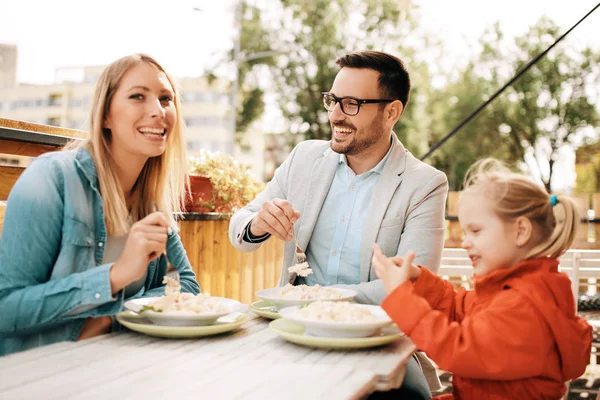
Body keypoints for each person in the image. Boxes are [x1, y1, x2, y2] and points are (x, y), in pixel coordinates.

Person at [229, 50, 449, 399]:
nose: (335, 115)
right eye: (332, 101)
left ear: (391, 111)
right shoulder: (303, 158)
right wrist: (258, 223)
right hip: (290, 335)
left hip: (375, 342)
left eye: (351, 104)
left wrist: (318, 301)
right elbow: (239, 229)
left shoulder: (424, 184)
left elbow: (412, 285)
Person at [0, 54, 200, 356]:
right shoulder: (52, 179)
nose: (158, 111)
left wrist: (111, 318)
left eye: (165, 98)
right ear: (105, 113)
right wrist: (116, 275)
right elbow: (6, 308)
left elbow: (186, 284)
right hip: (35, 373)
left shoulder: (152, 201)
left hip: (111, 362)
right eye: (138, 96)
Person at [372, 158, 593, 400]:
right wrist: (418, 280)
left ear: (521, 231)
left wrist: (401, 297)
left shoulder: (524, 305)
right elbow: (460, 309)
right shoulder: (512, 288)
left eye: (475, 231)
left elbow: (456, 347)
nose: (466, 242)